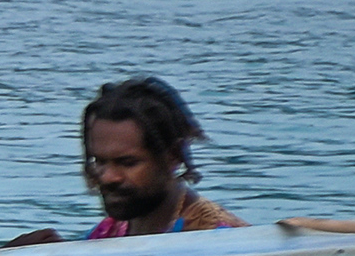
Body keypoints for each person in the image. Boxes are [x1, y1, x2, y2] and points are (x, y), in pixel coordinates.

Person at [79, 78, 244, 237]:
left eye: (127, 163)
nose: (108, 177)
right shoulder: (112, 230)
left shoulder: (221, 238)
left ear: (173, 156)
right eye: (100, 161)